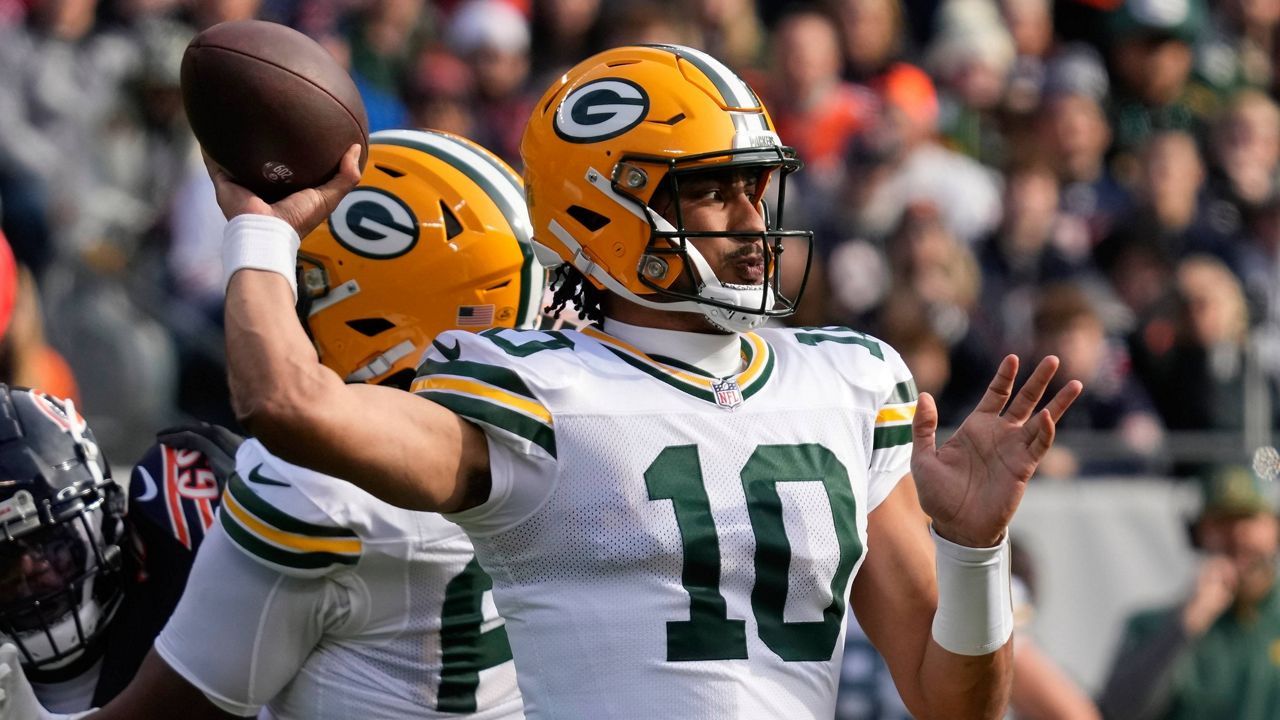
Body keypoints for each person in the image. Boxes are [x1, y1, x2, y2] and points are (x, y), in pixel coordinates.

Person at [212, 44, 1082, 718]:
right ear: (606, 209)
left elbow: (953, 703)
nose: (753, 222)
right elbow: (286, 402)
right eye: (713, 193)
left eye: (757, 189)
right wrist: (262, 232)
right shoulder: (533, 390)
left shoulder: (850, 382)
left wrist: (973, 551)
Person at [3, 129, 542, 719]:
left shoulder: (316, 491)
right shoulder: (559, 418)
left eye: (301, 285)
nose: (282, 312)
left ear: (371, 315)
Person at [1099, 459, 1280, 719]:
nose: (1237, 534)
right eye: (1222, 521)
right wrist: (1184, 626)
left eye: (1248, 518)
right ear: (1198, 535)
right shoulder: (1152, 627)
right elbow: (1117, 710)